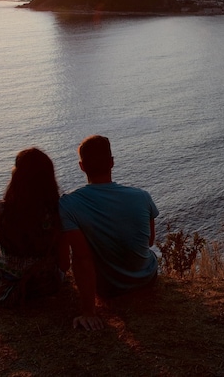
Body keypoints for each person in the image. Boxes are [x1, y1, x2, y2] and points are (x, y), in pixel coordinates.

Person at [59, 135, 159, 330]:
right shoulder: (142, 196)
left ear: (82, 166)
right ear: (112, 163)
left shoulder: (68, 205)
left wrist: (88, 311)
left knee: (79, 252)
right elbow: (149, 242)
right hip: (146, 279)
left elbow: (81, 258)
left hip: (107, 288)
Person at [0, 147, 65, 306]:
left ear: (16, 176)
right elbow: (64, 263)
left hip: (6, 281)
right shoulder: (57, 210)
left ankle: (4, 268)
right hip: (45, 284)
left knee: (3, 228)